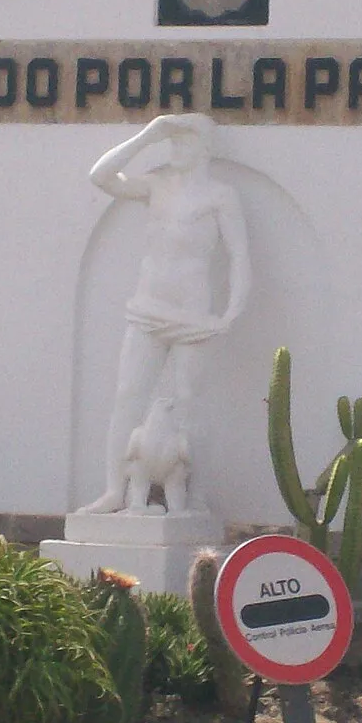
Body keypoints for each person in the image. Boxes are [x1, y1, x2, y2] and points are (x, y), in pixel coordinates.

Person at [75, 114, 251, 515]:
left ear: (204, 148)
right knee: (127, 397)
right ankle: (115, 492)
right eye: (171, 142)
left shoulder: (220, 196)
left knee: (191, 403)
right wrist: (146, 136)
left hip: (193, 314)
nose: (174, 148)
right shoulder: (155, 186)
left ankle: (195, 496)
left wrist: (232, 310)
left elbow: (239, 255)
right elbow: (100, 177)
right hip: (147, 307)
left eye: (183, 141)